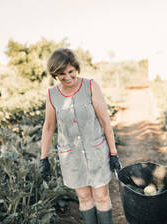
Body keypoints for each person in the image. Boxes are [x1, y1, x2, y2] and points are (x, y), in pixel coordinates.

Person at [39, 48, 121, 224]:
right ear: (55, 74)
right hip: (71, 157)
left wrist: (113, 153)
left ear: (76, 69)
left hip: (96, 152)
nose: (68, 77)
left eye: (71, 71)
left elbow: (105, 120)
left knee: (101, 196)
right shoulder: (52, 95)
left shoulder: (90, 86)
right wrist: (43, 158)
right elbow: (48, 127)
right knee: (84, 198)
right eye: (62, 74)